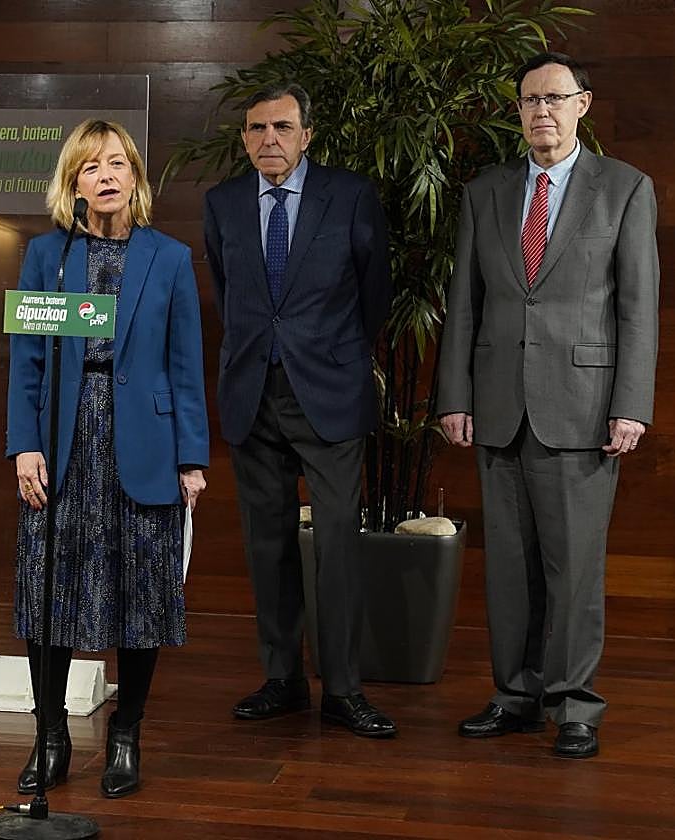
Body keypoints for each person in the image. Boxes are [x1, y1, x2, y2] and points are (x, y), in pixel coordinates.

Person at [437, 53, 658, 759]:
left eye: (555, 98)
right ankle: (514, 696)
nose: (542, 111)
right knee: (508, 568)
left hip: (585, 409)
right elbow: (464, 307)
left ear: (583, 105)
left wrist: (631, 406)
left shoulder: (624, 189)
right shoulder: (486, 193)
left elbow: (638, 309)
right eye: (531, 100)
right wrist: (454, 397)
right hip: (498, 408)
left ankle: (574, 706)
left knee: (574, 570)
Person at [6, 119, 208, 798]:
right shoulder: (47, 256)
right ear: (74, 184)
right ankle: (52, 734)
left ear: (136, 177)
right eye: (91, 167)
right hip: (62, 445)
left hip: (144, 449)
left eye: (118, 163)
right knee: (50, 592)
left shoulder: (171, 257)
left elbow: (185, 367)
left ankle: (127, 732)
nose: (107, 175)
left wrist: (192, 458)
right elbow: (28, 361)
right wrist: (24, 444)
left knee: (142, 596)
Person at [203, 84, 396, 737]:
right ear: (244, 139)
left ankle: (343, 689)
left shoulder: (350, 195)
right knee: (268, 543)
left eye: (282, 127)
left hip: (331, 393)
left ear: (307, 134)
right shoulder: (223, 204)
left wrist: (335, 353)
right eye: (256, 129)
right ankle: (282, 679)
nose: (269, 140)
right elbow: (230, 293)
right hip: (253, 392)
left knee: (337, 543)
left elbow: (374, 294)